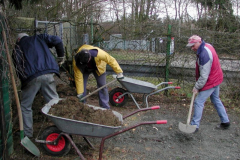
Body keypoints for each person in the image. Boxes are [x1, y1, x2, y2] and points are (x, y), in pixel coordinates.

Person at [12, 33, 65, 138]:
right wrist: (61, 56)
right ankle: (63, 128)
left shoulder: (17, 47)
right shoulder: (39, 38)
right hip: (49, 73)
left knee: (26, 106)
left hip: (32, 77)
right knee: (54, 103)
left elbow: (18, 67)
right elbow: (57, 40)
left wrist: (25, 83)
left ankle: (27, 134)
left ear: (18, 39)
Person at [186, 35, 230, 132]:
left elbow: (204, 76)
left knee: (198, 102)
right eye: (191, 46)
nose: (192, 48)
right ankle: (225, 122)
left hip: (211, 80)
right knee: (215, 99)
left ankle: (194, 126)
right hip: (216, 77)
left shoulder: (204, 54)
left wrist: (197, 87)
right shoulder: (207, 45)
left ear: (199, 42)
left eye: (193, 45)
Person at [73, 44, 124, 109]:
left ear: (89, 58)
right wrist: (79, 93)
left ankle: (105, 106)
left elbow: (111, 60)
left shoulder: (98, 53)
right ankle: (82, 106)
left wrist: (119, 72)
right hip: (84, 69)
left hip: (98, 67)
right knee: (82, 86)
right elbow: (78, 78)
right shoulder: (76, 61)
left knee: (102, 85)